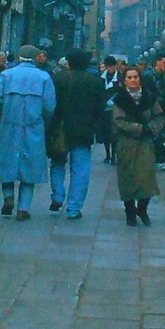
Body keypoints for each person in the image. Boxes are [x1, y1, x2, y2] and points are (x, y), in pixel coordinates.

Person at [0, 44, 56, 221]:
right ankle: (23, 208)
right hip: (34, 126)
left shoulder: (6, 75)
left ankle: (8, 196)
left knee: (6, 162)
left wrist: (1, 115)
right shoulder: (44, 77)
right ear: (35, 57)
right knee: (30, 167)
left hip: (9, 125)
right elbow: (50, 106)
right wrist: (43, 122)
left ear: (19, 56)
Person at [48, 49, 107, 218]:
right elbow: (100, 108)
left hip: (60, 128)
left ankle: (58, 195)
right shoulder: (95, 82)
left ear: (69, 62)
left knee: (58, 161)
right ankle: (74, 208)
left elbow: (51, 104)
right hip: (83, 130)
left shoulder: (58, 78)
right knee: (81, 168)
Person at [110, 65, 164, 226]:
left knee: (146, 177)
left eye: (135, 77)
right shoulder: (119, 99)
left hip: (145, 143)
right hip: (127, 144)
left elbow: (159, 116)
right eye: (129, 77)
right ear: (124, 81)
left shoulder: (149, 97)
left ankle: (142, 208)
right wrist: (139, 128)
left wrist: (151, 128)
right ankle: (130, 212)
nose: (133, 80)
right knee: (127, 178)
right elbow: (118, 121)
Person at [144, 54, 165, 170]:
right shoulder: (149, 76)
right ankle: (153, 160)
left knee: (160, 137)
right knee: (153, 135)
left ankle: (159, 160)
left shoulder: (164, 78)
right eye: (164, 62)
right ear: (157, 62)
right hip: (152, 111)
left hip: (162, 111)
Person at [98, 55, 121, 163]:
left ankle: (114, 155)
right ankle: (107, 154)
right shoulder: (101, 78)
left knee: (114, 134)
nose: (109, 69)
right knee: (106, 134)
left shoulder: (120, 78)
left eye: (111, 66)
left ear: (115, 66)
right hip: (104, 110)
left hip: (116, 109)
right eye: (107, 66)